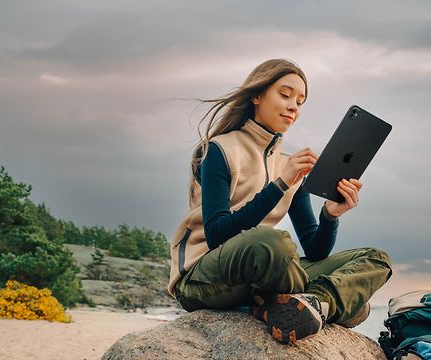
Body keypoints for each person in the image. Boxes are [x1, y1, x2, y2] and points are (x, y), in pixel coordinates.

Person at [168, 58, 392, 344]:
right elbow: (216, 234)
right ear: (257, 96)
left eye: (300, 102)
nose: (293, 107)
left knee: (376, 259)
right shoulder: (219, 149)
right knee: (272, 241)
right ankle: (339, 302)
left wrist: (330, 216)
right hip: (204, 276)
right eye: (285, 95)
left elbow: (315, 248)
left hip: (261, 275)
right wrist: (281, 184)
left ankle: (318, 303)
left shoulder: (289, 165)